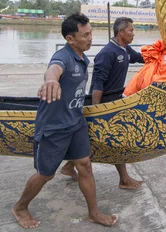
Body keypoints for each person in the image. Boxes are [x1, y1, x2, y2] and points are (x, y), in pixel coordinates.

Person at [12, 13, 117, 229]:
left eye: (91, 33)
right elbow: (54, 68)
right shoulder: (64, 56)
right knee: (45, 174)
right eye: (85, 35)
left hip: (76, 123)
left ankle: (93, 213)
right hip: (55, 127)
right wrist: (51, 80)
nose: (90, 38)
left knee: (85, 166)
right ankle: (20, 207)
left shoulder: (81, 57)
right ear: (70, 39)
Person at [61, 17, 145, 189]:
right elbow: (98, 84)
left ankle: (69, 166)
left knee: (97, 140)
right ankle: (124, 179)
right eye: (131, 30)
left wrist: (163, 55)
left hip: (117, 99)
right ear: (121, 32)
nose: (133, 33)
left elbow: (139, 58)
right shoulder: (107, 53)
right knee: (116, 140)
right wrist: (97, 110)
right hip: (106, 101)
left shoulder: (125, 49)